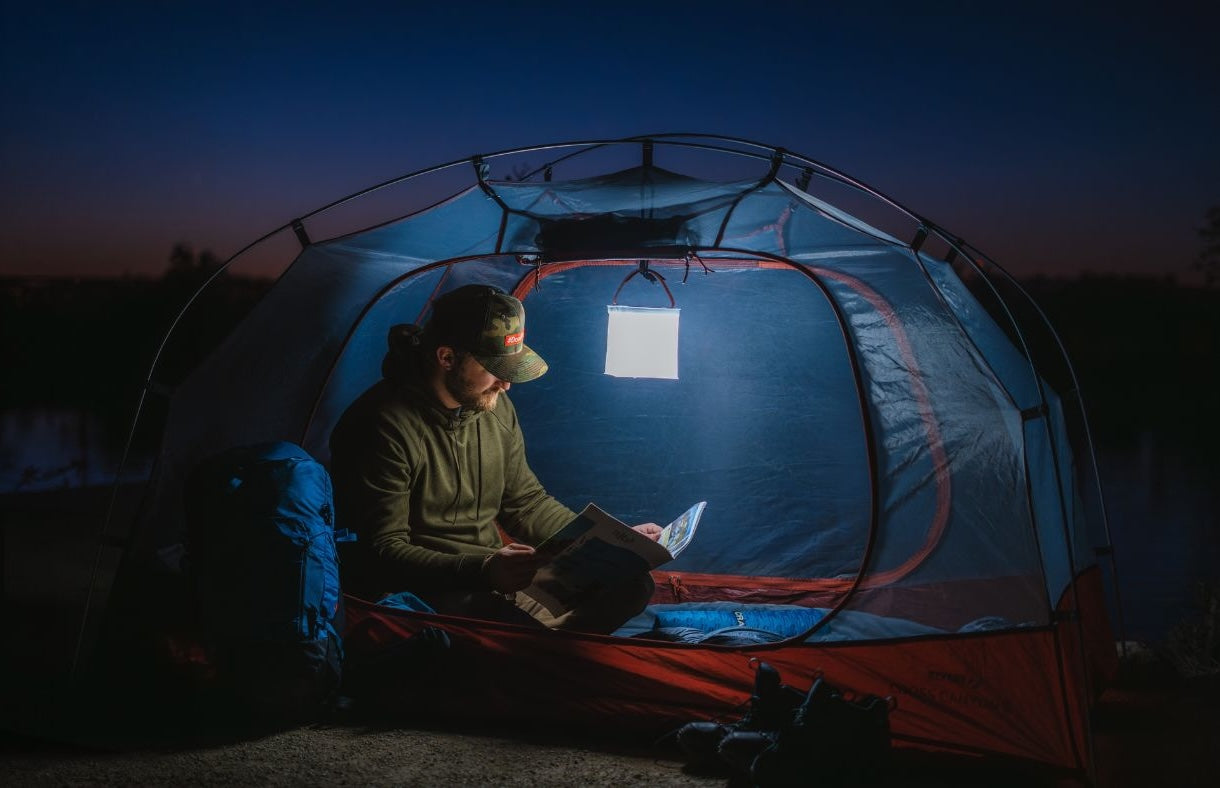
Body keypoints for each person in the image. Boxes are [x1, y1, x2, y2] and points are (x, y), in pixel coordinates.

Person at [329, 283, 660, 633]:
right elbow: (382, 551)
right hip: (429, 589)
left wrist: (604, 543)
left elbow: (526, 503)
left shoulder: (493, 407)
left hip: (492, 579)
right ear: (446, 357)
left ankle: (531, 647)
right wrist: (484, 569)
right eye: (494, 368)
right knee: (511, 624)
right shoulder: (381, 425)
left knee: (633, 584)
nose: (506, 384)